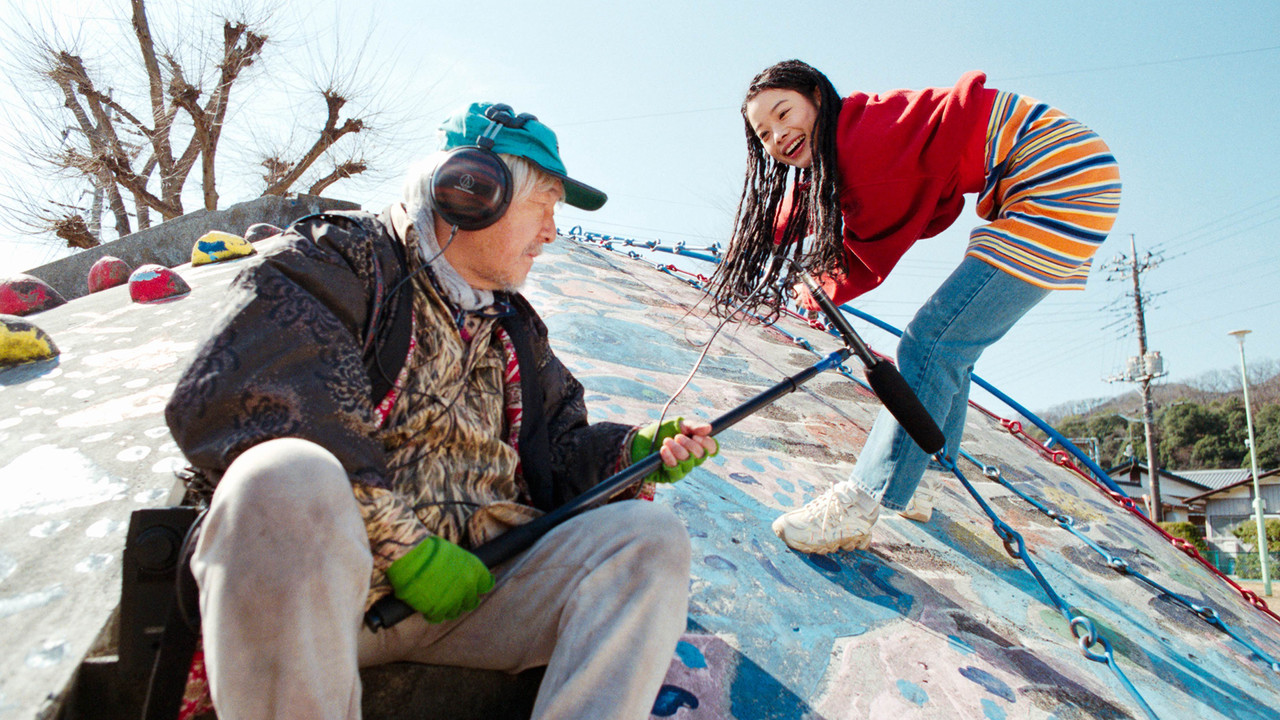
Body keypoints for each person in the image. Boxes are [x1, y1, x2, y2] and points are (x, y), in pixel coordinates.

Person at [164, 101, 718, 720]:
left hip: (483, 588)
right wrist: (406, 548)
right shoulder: (339, 262)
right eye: (545, 206)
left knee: (649, 538)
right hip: (336, 599)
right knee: (280, 474)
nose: (552, 233)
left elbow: (557, 455)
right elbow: (254, 393)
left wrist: (632, 452)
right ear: (473, 191)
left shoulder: (518, 331)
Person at [707, 60, 1120, 553]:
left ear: (817, 96)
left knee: (932, 342)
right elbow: (820, 199)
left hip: (1061, 182)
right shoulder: (858, 131)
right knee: (952, 348)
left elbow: (878, 230)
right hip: (1068, 174)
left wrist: (825, 281)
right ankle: (915, 477)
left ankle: (863, 499)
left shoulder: (864, 146)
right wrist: (753, 241)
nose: (779, 135)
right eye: (764, 133)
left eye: (784, 113)